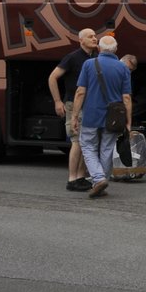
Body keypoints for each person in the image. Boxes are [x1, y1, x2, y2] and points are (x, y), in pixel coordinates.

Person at [71, 35, 132, 200]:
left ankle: (98, 179)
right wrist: (128, 121)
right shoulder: (123, 68)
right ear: (116, 50)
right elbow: (126, 97)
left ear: (99, 48)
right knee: (107, 149)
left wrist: (75, 116)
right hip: (113, 117)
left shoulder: (89, 64)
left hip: (92, 114)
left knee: (88, 146)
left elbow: (80, 92)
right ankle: (101, 181)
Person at [49, 28, 99, 191]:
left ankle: (81, 176)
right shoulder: (72, 57)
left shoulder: (95, 57)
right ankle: (72, 179)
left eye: (95, 36)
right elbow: (52, 77)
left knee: (88, 142)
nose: (94, 38)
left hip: (90, 105)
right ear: (81, 40)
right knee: (77, 141)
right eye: (90, 36)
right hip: (73, 104)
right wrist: (58, 101)